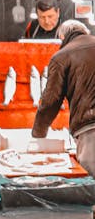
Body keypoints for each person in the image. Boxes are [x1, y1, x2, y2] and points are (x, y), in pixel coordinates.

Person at [32, 20, 95, 177]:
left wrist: (38, 134)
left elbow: (50, 101)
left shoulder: (62, 56)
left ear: (62, 36)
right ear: (85, 32)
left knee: (91, 186)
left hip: (90, 129)